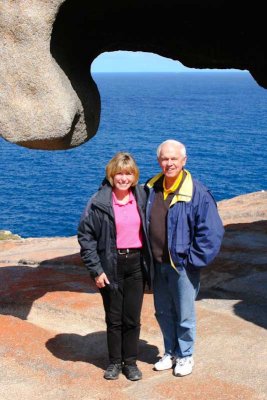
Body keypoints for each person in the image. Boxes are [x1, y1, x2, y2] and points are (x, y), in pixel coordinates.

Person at [145, 139, 224, 377]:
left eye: (174, 159)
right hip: (157, 264)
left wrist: (192, 261)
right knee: (163, 311)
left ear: (184, 161)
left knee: (185, 313)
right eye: (165, 159)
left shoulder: (197, 192)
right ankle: (170, 352)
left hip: (182, 266)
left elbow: (212, 232)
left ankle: (186, 355)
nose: (169, 163)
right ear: (159, 161)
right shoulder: (151, 188)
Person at [78, 152, 153, 381]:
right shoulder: (99, 201)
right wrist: (96, 270)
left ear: (134, 176)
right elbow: (86, 237)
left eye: (128, 173)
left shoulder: (143, 196)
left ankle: (130, 363)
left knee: (132, 317)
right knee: (114, 318)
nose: (123, 178)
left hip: (136, 264)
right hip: (111, 264)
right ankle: (113, 363)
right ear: (111, 174)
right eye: (119, 173)